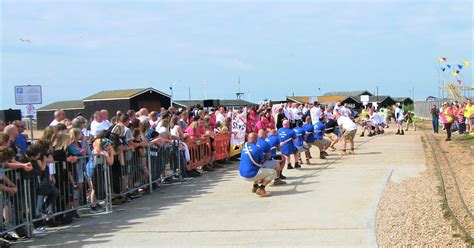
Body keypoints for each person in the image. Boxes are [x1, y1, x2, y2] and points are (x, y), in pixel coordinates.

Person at [239, 133, 277, 197]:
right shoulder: (257, 149)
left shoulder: (243, 147)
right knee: (273, 172)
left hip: (241, 173)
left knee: (254, 167)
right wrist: (266, 156)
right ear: (255, 140)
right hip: (251, 174)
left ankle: (255, 186)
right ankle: (261, 188)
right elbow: (262, 161)